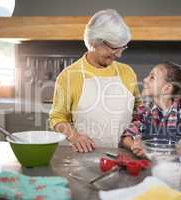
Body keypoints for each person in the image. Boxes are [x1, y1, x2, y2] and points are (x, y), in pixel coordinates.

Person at [49, 9, 141, 153]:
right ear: (94, 41)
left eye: (121, 48)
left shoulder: (127, 72)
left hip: (124, 157)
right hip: (84, 158)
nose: (118, 55)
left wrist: (138, 139)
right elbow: (57, 118)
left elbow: (139, 112)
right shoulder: (69, 76)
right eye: (114, 48)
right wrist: (75, 136)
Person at [121, 61, 181, 157]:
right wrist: (134, 145)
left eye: (152, 77)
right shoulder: (143, 111)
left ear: (167, 89)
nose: (145, 79)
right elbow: (125, 137)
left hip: (177, 169)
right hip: (148, 167)